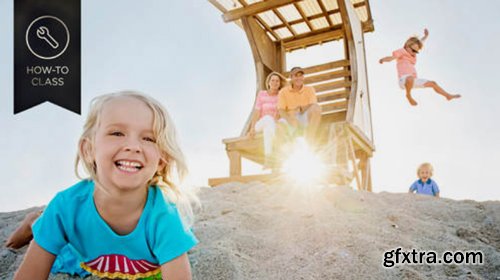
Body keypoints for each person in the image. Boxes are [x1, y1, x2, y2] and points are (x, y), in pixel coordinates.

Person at [14, 91, 198, 280]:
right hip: (85, 257)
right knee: (58, 250)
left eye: (149, 138)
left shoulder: (165, 217)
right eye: (117, 133)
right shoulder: (65, 207)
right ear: (89, 150)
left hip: (139, 267)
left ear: (161, 161)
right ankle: (35, 223)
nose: (133, 146)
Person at [379, 28, 461, 106]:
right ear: (407, 46)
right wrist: (384, 59)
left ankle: (447, 95)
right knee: (409, 78)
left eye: (416, 51)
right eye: (413, 50)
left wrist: (425, 36)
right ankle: (408, 95)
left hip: (413, 80)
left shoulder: (412, 54)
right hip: (403, 80)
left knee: (433, 83)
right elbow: (392, 58)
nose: (414, 53)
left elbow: (420, 42)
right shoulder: (402, 51)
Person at [247, 72, 286, 168]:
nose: (275, 82)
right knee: (268, 119)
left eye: (277, 81)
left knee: (276, 125)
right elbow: (256, 112)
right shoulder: (262, 94)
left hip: (272, 126)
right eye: (272, 80)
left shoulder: (281, 96)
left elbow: (280, 113)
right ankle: (274, 154)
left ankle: (269, 158)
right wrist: (252, 128)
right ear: (268, 82)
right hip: (260, 124)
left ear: (280, 84)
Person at [277, 66, 321, 143]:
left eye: (300, 75)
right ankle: (281, 151)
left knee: (316, 108)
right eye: (295, 76)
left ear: (303, 77)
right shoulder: (283, 92)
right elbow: (281, 110)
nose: (298, 78)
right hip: (289, 117)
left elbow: (313, 105)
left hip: (304, 116)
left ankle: (310, 140)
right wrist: (290, 119)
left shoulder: (310, 89)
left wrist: (301, 109)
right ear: (291, 77)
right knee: (279, 125)